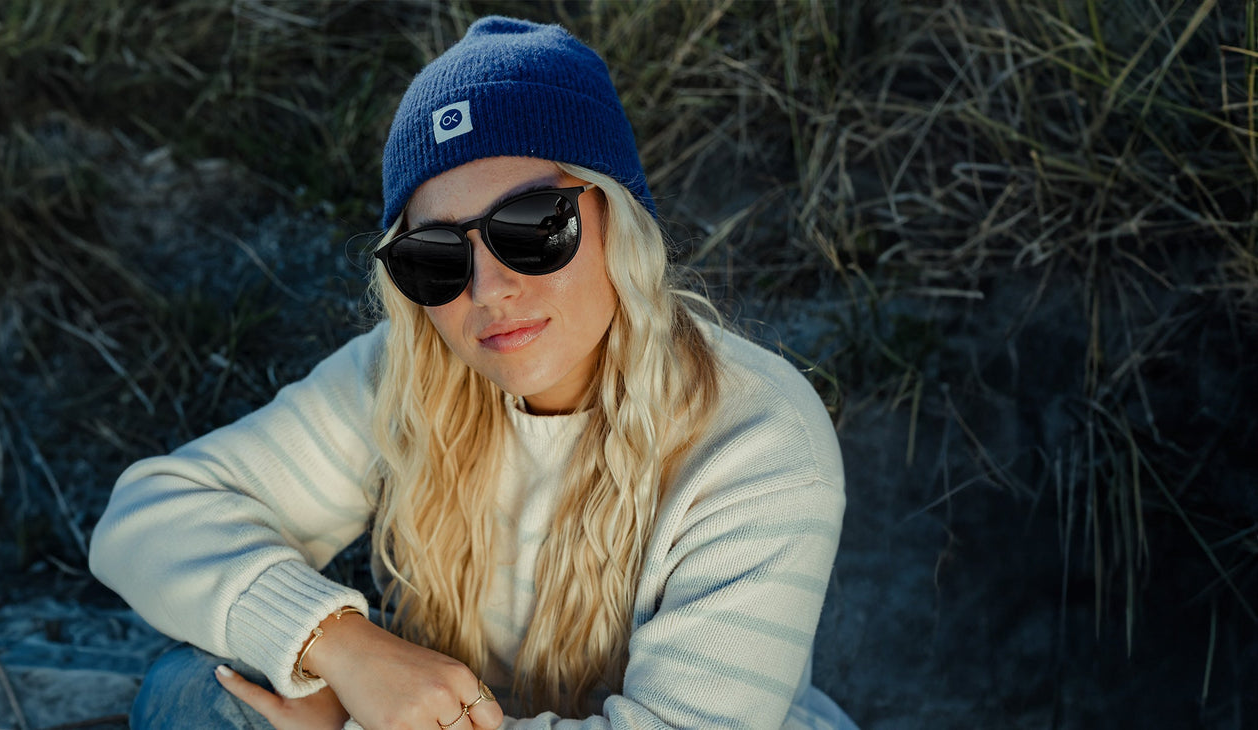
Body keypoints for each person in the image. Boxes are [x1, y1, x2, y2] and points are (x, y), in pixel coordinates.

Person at [89, 15, 856, 730]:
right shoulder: (403, 377)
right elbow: (146, 517)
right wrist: (341, 646)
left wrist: (355, 721)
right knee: (192, 690)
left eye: (531, 228)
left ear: (618, 221)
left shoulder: (758, 436)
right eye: (437, 258)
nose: (488, 290)